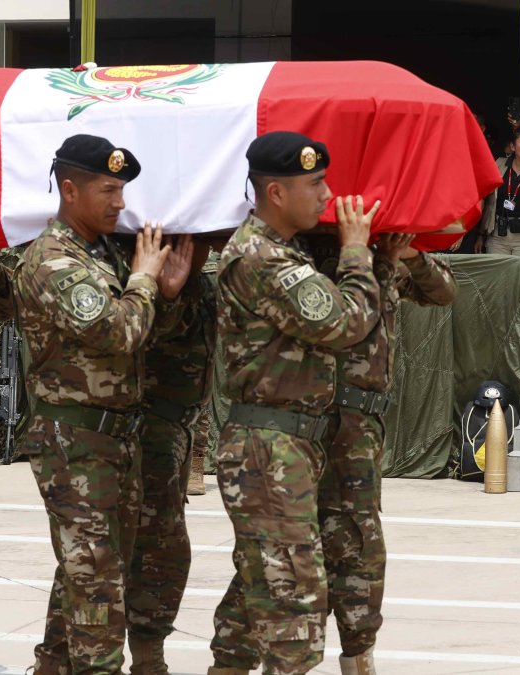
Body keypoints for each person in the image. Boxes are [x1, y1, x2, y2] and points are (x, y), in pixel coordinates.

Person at [14, 134, 193, 674]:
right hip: (75, 442)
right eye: (109, 190)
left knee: (88, 569)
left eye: (123, 191)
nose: (121, 203)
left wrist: (167, 294)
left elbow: (149, 335)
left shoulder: (104, 252)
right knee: (96, 579)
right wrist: (143, 280)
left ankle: (53, 664)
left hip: (115, 437)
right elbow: (115, 332)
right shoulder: (53, 260)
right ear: (70, 190)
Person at [208, 131, 381, 675]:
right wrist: (356, 251)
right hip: (269, 449)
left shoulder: (285, 252)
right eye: (315, 184)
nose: (328, 195)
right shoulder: (260, 256)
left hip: (290, 445)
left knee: (260, 587)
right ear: (276, 193)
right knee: (294, 608)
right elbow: (346, 324)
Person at [305, 231, 455, 675]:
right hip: (307, 426)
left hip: (362, 429)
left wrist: (407, 254)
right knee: (294, 551)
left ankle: (358, 657)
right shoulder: (301, 252)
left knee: (359, 547)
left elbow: (443, 291)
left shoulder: (382, 254)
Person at [125, 236, 222, 674]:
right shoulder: (140, 284)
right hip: (150, 428)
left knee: (158, 546)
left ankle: (148, 654)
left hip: (179, 430)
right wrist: (164, 295)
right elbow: (135, 341)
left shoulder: (206, 287)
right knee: (155, 547)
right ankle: (146, 658)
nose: (195, 248)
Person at [476, 128, 520, 260]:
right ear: (512, 146)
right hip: (497, 233)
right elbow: (485, 201)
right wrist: (481, 235)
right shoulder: (498, 164)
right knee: (499, 278)